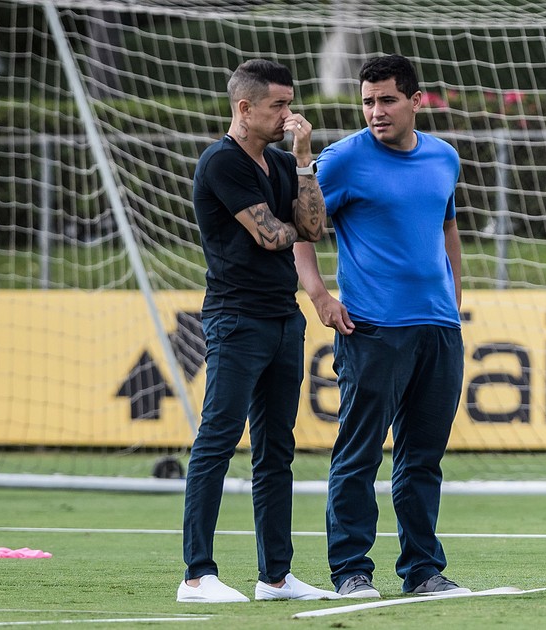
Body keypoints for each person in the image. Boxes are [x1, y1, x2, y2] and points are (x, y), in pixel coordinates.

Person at [293, 54, 469, 599]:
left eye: (387, 99)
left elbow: (447, 229)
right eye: (368, 101)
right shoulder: (343, 160)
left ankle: (423, 570)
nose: (376, 111)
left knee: (423, 459)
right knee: (360, 453)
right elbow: (301, 226)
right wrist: (318, 295)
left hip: (439, 330)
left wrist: (454, 299)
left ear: (415, 101)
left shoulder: (444, 157)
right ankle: (351, 570)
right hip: (372, 331)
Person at [179, 58, 338, 604]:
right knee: (217, 440)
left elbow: (313, 228)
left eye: (290, 104)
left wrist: (303, 162)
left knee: (276, 449)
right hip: (236, 318)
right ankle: (196, 576)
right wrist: (292, 222)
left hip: (283, 317)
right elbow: (272, 237)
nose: (288, 115)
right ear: (244, 108)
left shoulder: (282, 161)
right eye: (278, 106)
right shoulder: (221, 162)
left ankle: (276, 577)